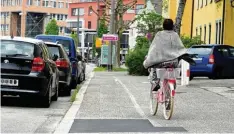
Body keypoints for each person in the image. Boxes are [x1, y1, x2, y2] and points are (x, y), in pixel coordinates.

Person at [143, 19, 187, 91]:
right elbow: (180, 48)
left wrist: (149, 58)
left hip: (161, 63)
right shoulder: (175, 35)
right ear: (172, 26)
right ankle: (173, 84)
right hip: (174, 62)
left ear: (163, 26)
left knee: (154, 68)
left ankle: (155, 83)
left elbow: (154, 48)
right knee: (173, 71)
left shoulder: (159, 34)